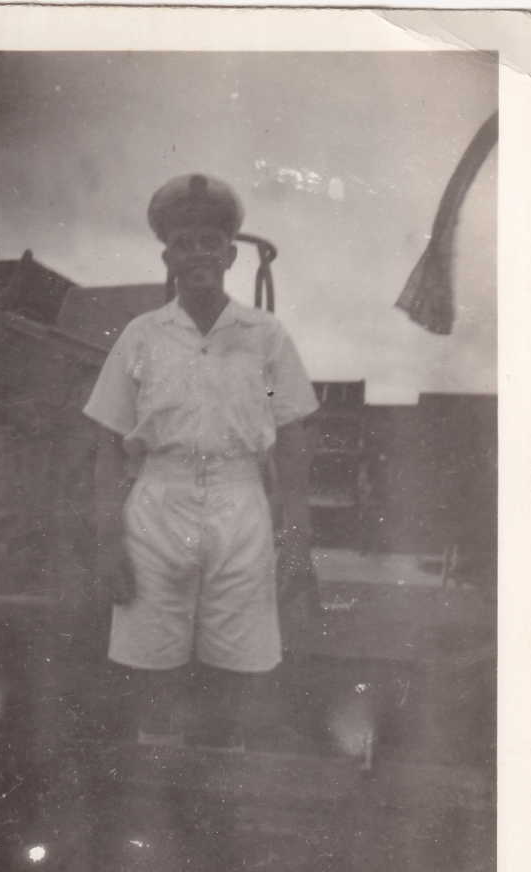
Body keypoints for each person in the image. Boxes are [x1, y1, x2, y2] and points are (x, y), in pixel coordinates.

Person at [84, 173, 319, 749]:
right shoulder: (141, 337)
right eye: (184, 243)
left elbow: (291, 438)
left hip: (241, 506)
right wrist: (107, 539)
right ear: (167, 255)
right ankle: (158, 788)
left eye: (209, 243)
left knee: (235, 668)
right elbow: (107, 445)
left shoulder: (264, 336)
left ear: (229, 254)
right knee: (152, 664)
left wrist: (299, 540)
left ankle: (221, 791)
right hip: (157, 508)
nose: (197, 255)